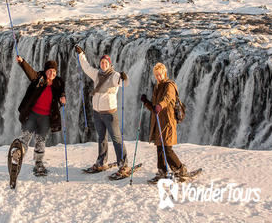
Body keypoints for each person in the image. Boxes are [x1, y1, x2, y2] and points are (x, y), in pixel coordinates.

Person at [75, 44, 130, 176]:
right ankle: (101, 162)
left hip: (110, 113)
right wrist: (81, 54)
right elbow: (86, 67)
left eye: (106, 62)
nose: (103, 64)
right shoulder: (97, 74)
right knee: (101, 138)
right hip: (97, 112)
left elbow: (124, 84)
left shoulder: (115, 76)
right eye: (102, 62)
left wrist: (124, 77)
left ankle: (124, 165)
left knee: (116, 138)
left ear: (109, 64)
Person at [15, 55, 66, 174]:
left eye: (54, 71)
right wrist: (22, 62)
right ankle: (18, 155)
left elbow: (61, 92)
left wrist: (62, 97)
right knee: (26, 136)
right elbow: (30, 73)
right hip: (32, 114)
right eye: (49, 71)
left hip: (46, 118)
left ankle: (38, 163)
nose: (51, 73)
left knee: (40, 141)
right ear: (45, 71)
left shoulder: (58, 82)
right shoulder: (39, 78)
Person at [141, 62, 188, 181]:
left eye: (160, 74)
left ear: (164, 73)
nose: (158, 77)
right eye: (156, 75)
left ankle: (180, 169)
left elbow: (167, 99)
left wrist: (160, 106)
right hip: (158, 121)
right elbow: (154, 107)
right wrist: (146, 102)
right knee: (159, 148)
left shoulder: (169, 85)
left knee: (167, 148)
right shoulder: (157, 87)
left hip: (168, 121)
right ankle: (162, 171)